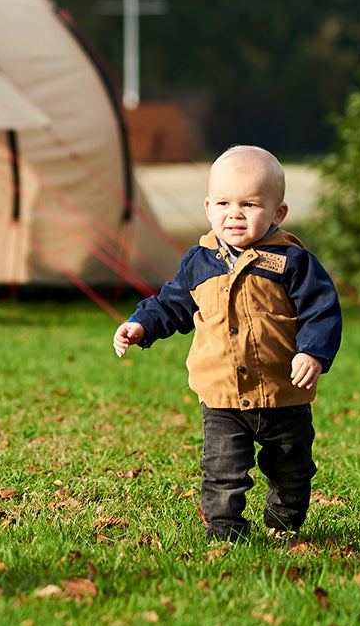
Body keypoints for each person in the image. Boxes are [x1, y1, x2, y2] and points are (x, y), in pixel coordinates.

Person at [113, 145, 342, 542]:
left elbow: (322, 310)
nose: (233, 214)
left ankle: (284, 519)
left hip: (283, 394)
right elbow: (172, 304)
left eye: (249, 204)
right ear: (207, 207)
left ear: (278, 213)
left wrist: (312, 352)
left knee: (292, 470)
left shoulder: (292, 263)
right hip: (221, 394)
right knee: (222, 470)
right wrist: (141, 325)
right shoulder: (200, 262)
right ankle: (225, 533)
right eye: (223, 203)